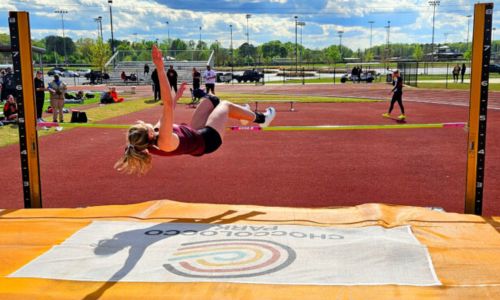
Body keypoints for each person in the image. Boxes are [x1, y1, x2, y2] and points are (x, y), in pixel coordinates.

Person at [114, 45, 276, 176]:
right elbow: (167, 106)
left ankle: (243, 114)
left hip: (196, 133)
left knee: (211, 99)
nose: (146, 123)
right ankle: (262, 119)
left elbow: (167, 113)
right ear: (149, 134)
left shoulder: (155, 134)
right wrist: (160, 68)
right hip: (209, 141)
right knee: (225, 105)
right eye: (144, 125)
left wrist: (176, 97)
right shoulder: (163, 141)